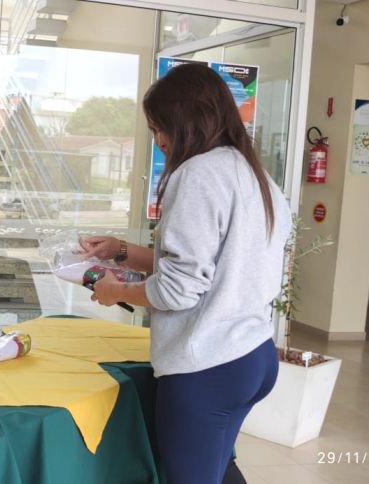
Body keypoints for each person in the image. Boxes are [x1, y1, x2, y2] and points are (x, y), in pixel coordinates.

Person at [80, 63, 291, 484]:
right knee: (219, 469)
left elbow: (178, 290)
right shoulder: (254, 174)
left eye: (160, 128)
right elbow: (218, 267)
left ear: (189, 120)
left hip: (208, 365)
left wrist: (113, 291)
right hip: (253, 355)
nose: (159, 141)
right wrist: (122, 252)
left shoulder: (197, 174)